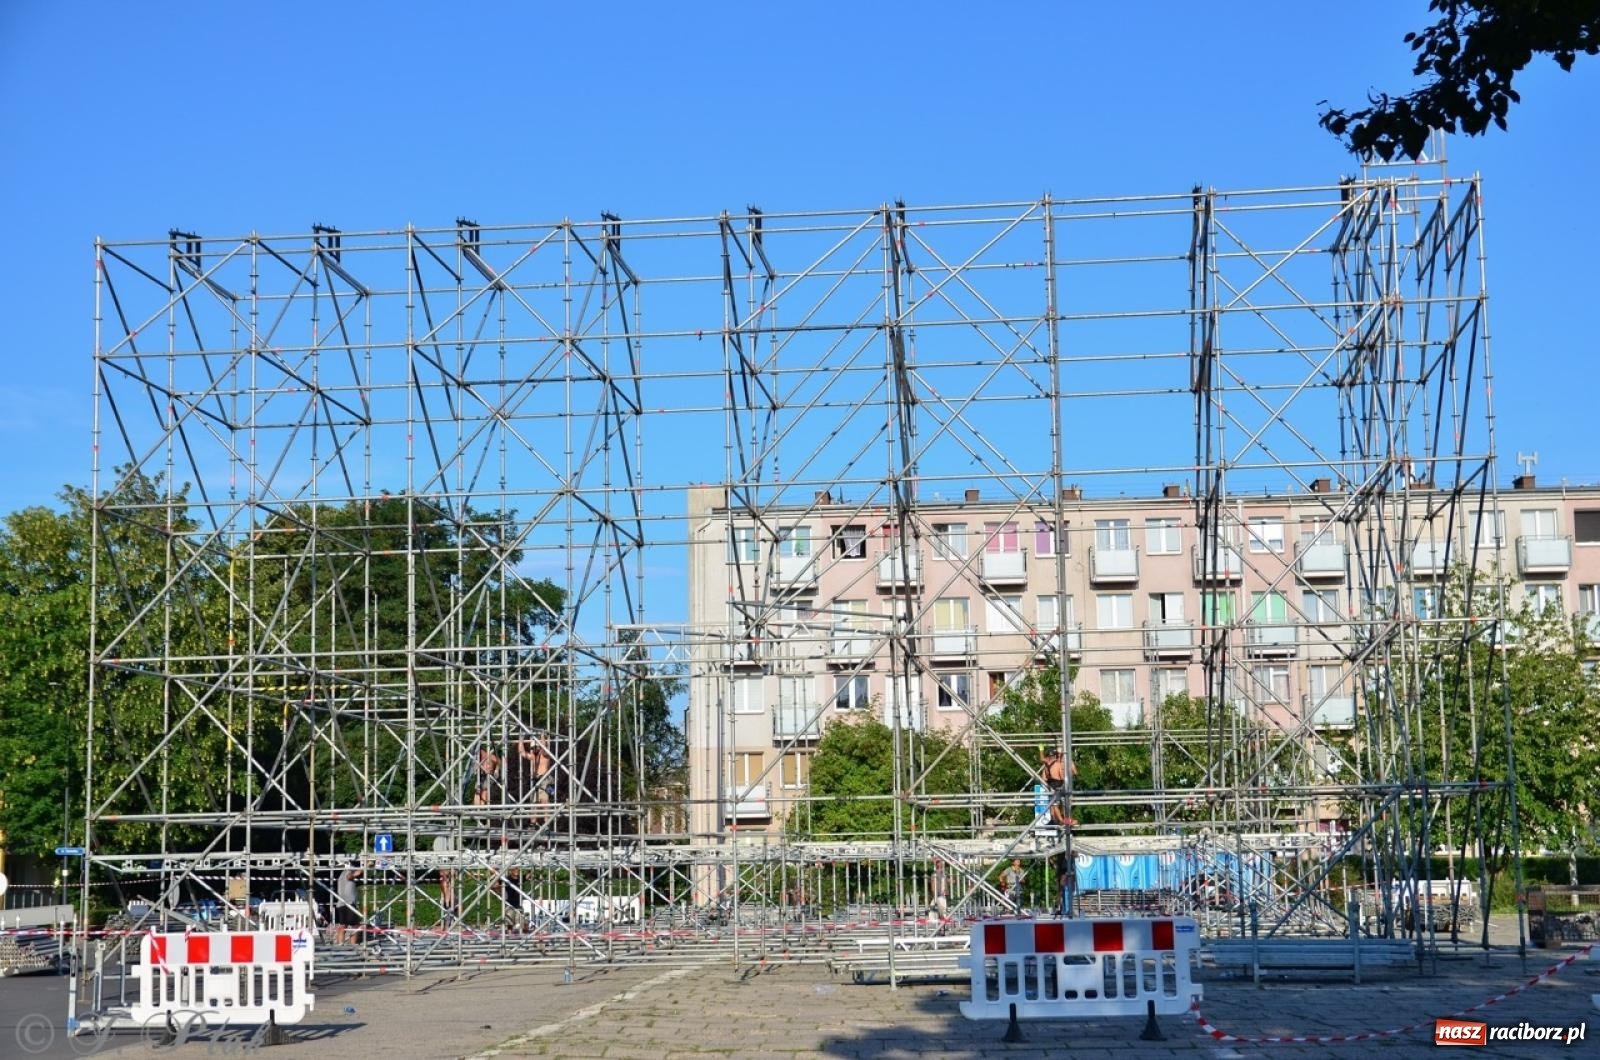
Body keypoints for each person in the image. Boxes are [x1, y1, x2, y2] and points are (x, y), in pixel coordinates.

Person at [333, 864, 362, 945]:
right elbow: (351, 876)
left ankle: (340, 944)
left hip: (341, 903)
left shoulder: (341, 875)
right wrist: (365, 866)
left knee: (343, 925)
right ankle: (353, 945)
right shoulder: (348, 872)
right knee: (355, 925)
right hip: (349, 903)